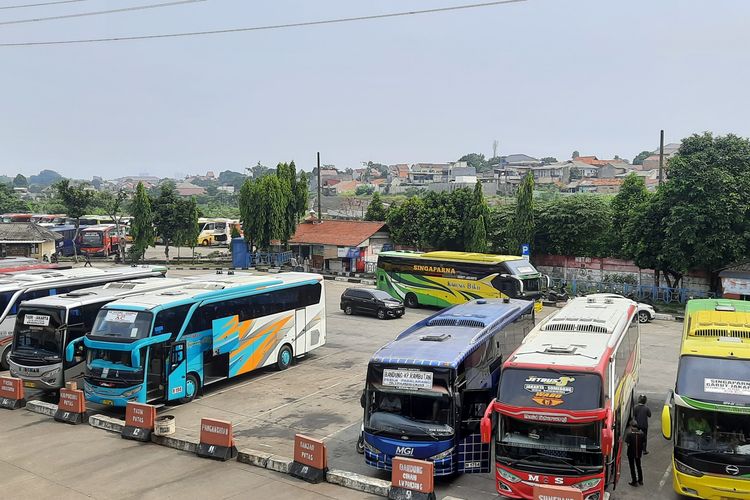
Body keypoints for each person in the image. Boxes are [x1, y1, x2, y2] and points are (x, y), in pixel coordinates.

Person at [625, 419, 645, 486]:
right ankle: (640, 480)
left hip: (631, 453)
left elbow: (627, 444)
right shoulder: (642, 434)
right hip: (638, 453)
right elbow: (643, 442)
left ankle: (634, 481)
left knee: (632, 467)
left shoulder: (629, 435)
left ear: (632, 427)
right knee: (639, 466)